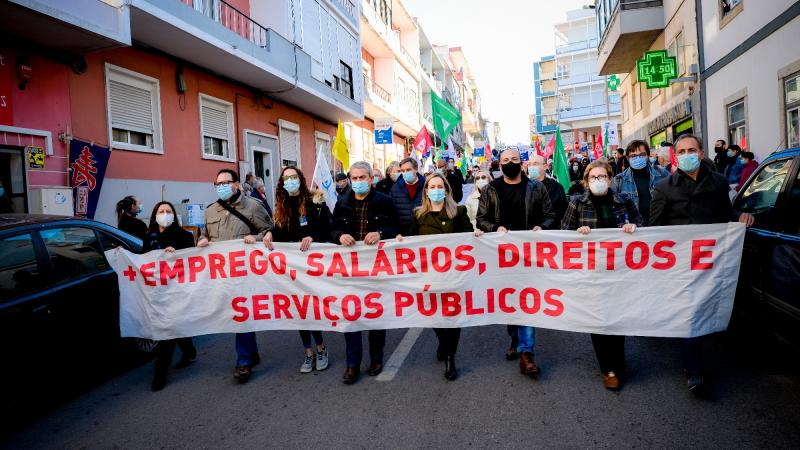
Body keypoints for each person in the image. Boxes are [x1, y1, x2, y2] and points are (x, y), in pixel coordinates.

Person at [650, 134, 754, 396]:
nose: (687, 154)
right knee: (689, 314)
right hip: (680, 263)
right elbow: (653, 229)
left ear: (701, 152)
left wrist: (740, 216)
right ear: (675, 155)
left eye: (692, 150)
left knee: (707, 309)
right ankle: (694, 370)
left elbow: (725, 213)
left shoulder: (718, 182)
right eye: (682, 151)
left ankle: (703, 357)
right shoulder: (664, 187)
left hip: (711, 261)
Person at [561, 161, 642, 390]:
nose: (599, 180)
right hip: (591, 273)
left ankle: (618, 359)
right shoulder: (577, 203)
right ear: (587, 181)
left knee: (619, 317)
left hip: (620, 271)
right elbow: (563, 235)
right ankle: (608, 368)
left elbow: (642, 225)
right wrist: (578, 233)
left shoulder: (624, 200)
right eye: (594, 177)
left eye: (603, 176)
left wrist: (631, 228)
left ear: (610, 178)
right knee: (598, 319)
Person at [476, 147, 555, 376]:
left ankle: (527, 354)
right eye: (505, 160)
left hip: (529, 256)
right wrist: (494, 228)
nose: (510, 163)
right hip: (501, 257)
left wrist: (544, 226)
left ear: (522, 163)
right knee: (510, 302)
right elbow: (481, 219)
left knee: (527, 303)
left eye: (514, 159)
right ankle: (515, 339)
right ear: (499, 165)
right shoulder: (491, 189)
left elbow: (550, 215)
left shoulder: (536, 187)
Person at [397, 173, 482, 381]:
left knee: (453, 315)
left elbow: (467, 239)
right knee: (434, 314)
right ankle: (443, 342)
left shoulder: (459, 211)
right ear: (426, 191)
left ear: (446, 190)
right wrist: (401, 240)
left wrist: (476, 235)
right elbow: (412, 241)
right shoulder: (418, 214)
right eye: (431, 186)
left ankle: (450, 356)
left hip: (454, 275)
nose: (436, 189)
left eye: (439, 185)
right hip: (429, 276)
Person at [197, 168, 272, 384]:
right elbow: (204, 235)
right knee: (234, 315)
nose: (221, 187)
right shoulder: (211, 211)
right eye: (217, 183)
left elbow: (269, 231)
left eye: (225, 182)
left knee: (242, 314)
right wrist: (201, 240)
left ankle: (244, 361)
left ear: (237, 184)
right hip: (221, 274)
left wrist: (256, 238)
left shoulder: (253, 206)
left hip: (247, 273)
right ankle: (251, 353)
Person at [330, 161, 399, 384]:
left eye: (363, 178)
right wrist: (339, 235)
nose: (358, 182)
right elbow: (331, 229)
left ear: (371, 179)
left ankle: (376, 359)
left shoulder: (384, 201)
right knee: (351, 316)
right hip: (349, 270)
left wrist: (380, 233)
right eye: (355, 178)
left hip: (376, 269)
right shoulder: (342, 202)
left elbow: (397, 229)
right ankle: (353, 364)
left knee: (375, 314)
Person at [262, 166, 331, 373]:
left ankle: (321, 348)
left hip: (311, 265)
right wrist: (269, 233)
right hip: (290, 268)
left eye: (294, 177)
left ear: (300, 179)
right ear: (282, 183)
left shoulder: (315, 202)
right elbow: (281, 231)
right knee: (299, 311)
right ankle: (308, 353)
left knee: (311, 308)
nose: (290, 181)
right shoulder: (281, 206)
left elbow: (326, 229)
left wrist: (313, 237)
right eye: (286, 178)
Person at [143, 201, 197, 391]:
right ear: (154, 215)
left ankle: (160, 372)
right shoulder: (149, 236)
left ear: (174, 215)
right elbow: (143, 259)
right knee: (174, 325)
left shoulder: (184, 236)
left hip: (177, 290)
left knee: (167, 328)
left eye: (168, 211)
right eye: (161, 211)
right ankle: (189, 351)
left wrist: (177, 256)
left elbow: (192, 262)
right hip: (157, 290)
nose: (165, 214)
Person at [612, 140, 670, 225]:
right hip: (633, 229)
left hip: (659, 226)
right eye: (633, 156)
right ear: (628, 158)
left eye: (642, 155)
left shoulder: (662, 174)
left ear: (648, 155)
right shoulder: (619, 179)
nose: (638, 158)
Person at [390, 157, 425, 235]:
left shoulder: (426, 186)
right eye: (403, 171)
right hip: (402, 234)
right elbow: (392, 213)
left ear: (416, 169)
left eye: (408, 170)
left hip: (422, 232)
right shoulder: (395, 188)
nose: (405, 173)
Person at [528, 154, 567, 225]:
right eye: (529, 164)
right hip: (529, 232)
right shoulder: (524, 186)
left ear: (545, 166)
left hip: (551, 231)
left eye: (535, 164)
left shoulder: (556, 187)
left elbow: (564, 212)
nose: (531, 167)